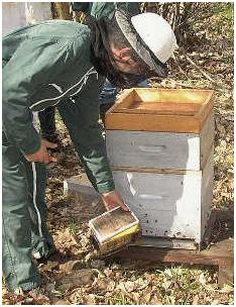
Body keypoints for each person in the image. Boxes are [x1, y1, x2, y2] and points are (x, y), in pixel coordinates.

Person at [2, 10, 177, 292]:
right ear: (123, 53)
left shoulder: (92, 68)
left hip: (15, 110)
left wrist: (106, 188)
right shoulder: (70, 45)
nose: (137, 75)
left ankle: (40, 249)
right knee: (12, 194)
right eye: (141, 67)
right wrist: (30, 143)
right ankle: (22, 284)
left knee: (35, 180)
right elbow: (8, 92)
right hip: (5, 104)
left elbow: (85, 129)